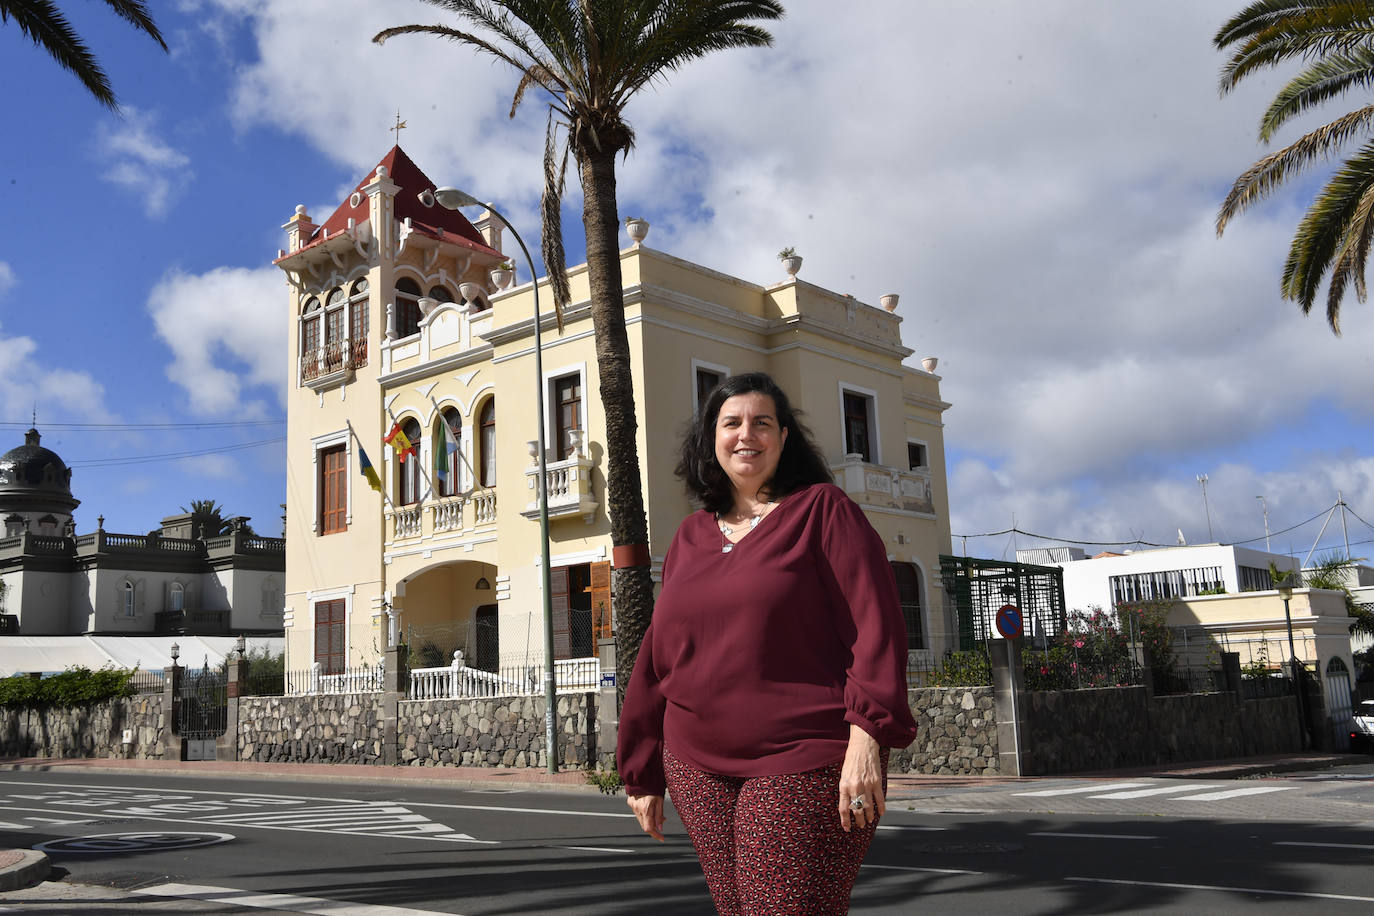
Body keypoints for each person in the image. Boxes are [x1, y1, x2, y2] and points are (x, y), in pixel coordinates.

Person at [617, 372, 918, 914]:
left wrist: (868, 738)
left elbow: (875, 626)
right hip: (696, 766)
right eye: (731, 423)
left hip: (801, 759)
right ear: (712, 439)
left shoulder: (823, 511)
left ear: (783, 438)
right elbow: (660, 656)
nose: (746, 434)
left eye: (762, 423)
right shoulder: (690, 536)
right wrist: (641, 768)